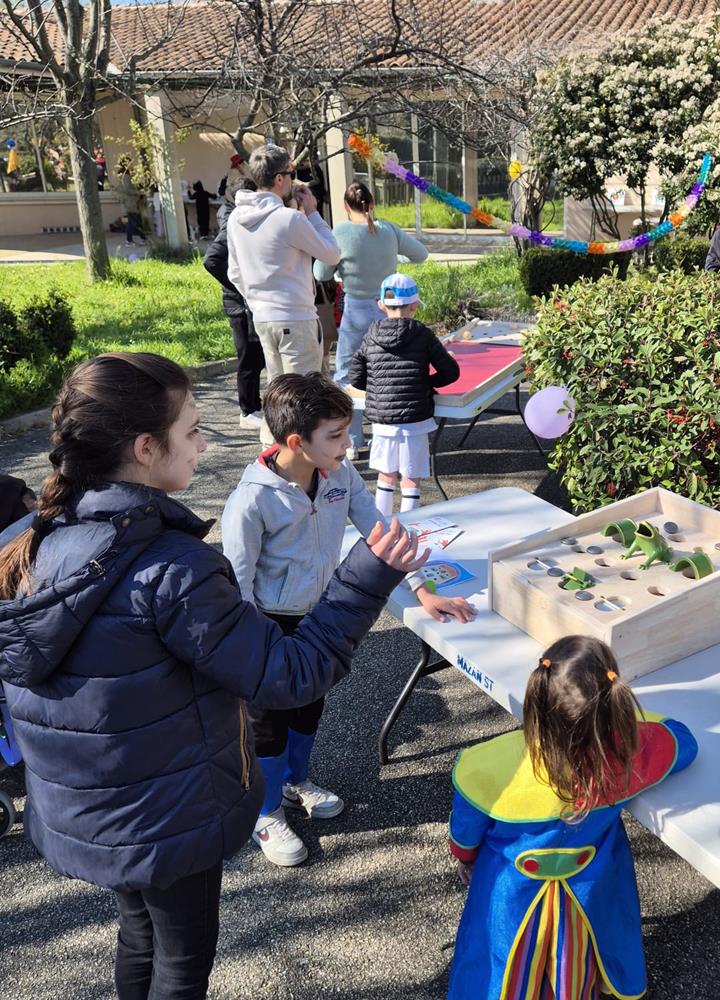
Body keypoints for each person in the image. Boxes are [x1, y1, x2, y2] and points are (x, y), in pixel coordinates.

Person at [0, 352, 426, 999]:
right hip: (166, 814)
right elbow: (288, 674)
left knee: (138, 933)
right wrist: (366, 577)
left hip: (91, 808)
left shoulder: (38, 541)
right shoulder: (172, 568)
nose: (205, 445)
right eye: (193, 430)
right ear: (146, 448)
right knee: (180, 963)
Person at [221, 371, 475, 866]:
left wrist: (422, 592)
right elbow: (238, 582)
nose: (349, 444)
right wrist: (252, 650)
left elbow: (383, 535)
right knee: (266, 725)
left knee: (309, 708)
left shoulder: (339, 475)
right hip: (268, 626)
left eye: (346, 431)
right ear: (296, 442)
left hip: (322, 618)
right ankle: (265, 813)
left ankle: (296, 783)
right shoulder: (252, 500)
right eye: (336, 435)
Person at [446, 635, 698, 1000]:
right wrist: (629, 725)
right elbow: (683, 741)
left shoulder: (487, 765)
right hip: (587, 889)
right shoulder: (625, 757)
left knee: (500, 961)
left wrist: (465, 858)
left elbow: (466, 831)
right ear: (614, 701)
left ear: (536, 697)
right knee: (573, 959)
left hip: (510, 892)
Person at [227, 145, 342, 445]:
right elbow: (332, 253)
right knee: (303, 397)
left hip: (262, 317)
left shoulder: (237, 218)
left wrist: (256, 301)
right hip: (296, 316)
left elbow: (234, 272)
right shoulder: (289, 219)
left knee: (277, 392)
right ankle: (300, 458)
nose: (294, 179)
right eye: (291, 173)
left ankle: (271, 451)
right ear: (279, 179)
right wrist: (313, 213)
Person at [314, 181, 429, 457]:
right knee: (389, 371)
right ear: (373, 203)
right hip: (389, 309)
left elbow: (320, 273)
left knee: (347, 374)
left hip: (355, 310)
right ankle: (389, 430)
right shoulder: (389, 230)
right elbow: (421, 254)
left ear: (345, 207)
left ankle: (353, 439)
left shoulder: (339, 233)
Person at [349, 274, 460, 514]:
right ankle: (409, 525)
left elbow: (355, 376)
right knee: (411, 477)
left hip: (382, 420)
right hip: (415, 419)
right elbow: (451, 372)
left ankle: (381, 525)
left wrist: (378, 388)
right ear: (415, 305)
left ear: (381, 305)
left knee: (385, 476)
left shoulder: (371, 335)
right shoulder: (422, 334)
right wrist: (425, 384)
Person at [203, 177, 267, 429]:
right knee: (248, 356)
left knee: (256, 356)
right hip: (239, 304)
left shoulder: (233, 215)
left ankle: (254, 405)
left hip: (245, 301)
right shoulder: (233, 220)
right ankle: (247, 410)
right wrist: (239, 286)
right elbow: (212, 260)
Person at [114, 156, 145, 246]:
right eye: (130, 163)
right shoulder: (125, 176)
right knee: (132, 221)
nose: (132, 165)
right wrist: (138, 192)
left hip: (131, 202)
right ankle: (129, 240)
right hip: (130, 203)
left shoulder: (126, 175)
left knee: (137, 220)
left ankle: (143, 238)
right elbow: (127, 189)